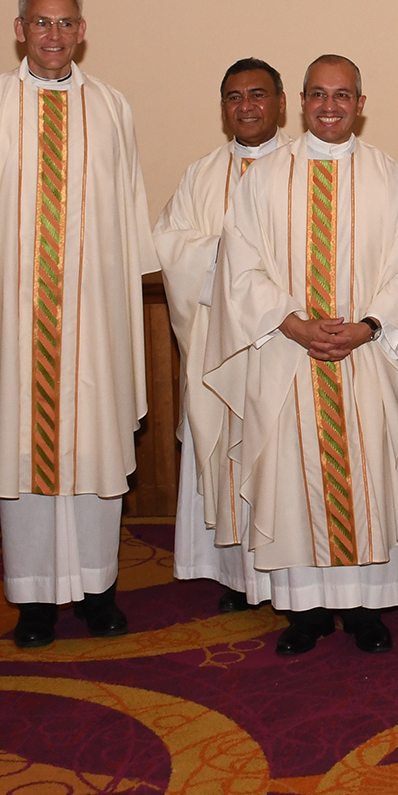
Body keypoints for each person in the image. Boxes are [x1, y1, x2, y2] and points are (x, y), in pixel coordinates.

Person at [0, 0, 158, 649]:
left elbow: (128, 211)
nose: (53, 35)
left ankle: (99, 591)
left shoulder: (111, 106)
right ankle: (34, 600)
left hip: (94, 315)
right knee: (24, 456)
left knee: (95, 447)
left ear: (81, 31)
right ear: (19, 29)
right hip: (16, 318)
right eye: (41, 23)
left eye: (65, 23)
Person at [205, 54, 398, 656]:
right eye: (319, 94)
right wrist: (294, 324)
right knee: (292, 481)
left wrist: (369, 326)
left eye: (342, 95)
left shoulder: (390, 177)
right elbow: (240, 266)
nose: (330, 106)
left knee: (366, 476)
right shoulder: (264, 178)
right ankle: (306, 610)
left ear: (361, 103)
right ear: (301, 102)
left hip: (365, 357)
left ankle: (367, 608)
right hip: (287, 355)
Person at [153, 57, 289, 610]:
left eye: (258, 94)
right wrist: (236, 264)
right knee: (228, 454)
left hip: (281, 343)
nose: (246, 106)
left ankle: (288, 577)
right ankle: (237, 576)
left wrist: (257, 278)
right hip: (217, 345)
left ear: (281, 103)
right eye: (234, 97)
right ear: (223, 107)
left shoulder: (303, 168)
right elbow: (171, 244)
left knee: (281, 459)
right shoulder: (201, 175)